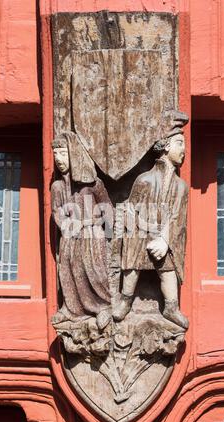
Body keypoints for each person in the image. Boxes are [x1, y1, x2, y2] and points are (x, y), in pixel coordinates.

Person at [113, 111, 189, 329]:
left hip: (164, 234)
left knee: (168, 267)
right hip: (141, 231)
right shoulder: (144, 180)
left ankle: (171, 306)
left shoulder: (180, 187)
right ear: (165, 146)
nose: (183, 149)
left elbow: (177, 217)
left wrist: (164, 240)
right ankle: (126, 299)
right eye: (179, 143)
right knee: (133, 251)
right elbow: (131, 210)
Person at [51, 138, 113, 331]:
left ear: (74, 155)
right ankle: (71, 309)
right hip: (70, 236)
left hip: (92, 234)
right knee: (68, 270)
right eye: (56, 155)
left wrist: (105, 229)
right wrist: (66, 225)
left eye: (63, 153)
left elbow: (107, 207)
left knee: (93, 270)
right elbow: (57, 211)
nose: (59, 159)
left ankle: (103, 306)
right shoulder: (57, 187)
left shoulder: (93, 184)